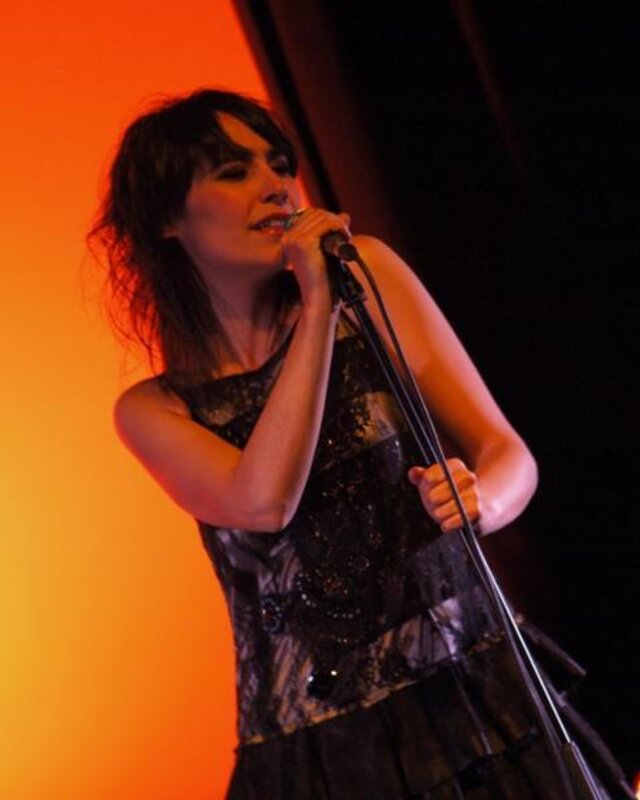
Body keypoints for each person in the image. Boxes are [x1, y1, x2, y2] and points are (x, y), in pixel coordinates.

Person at [89, 88, 633, 799]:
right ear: (166, 219)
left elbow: (510, 455)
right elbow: (264, 501)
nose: (275, 184)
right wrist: (319, 303)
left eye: (279, 163)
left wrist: (482, 500)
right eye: (233, 171)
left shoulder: (368, 274)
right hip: (323, 748)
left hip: (473, 694)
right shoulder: (154, 410)